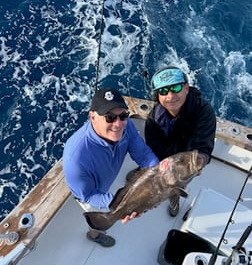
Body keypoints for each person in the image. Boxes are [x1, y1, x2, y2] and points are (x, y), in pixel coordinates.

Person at [63, 88, 159, 247]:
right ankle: (95, 235)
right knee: (98, 221)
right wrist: (122, 205)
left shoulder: (126, 126)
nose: (118, 124)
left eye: (123, 116)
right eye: (110, 118)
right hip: (91, 192)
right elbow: (88, 196)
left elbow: (143, 155)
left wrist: (158, 171)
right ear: (92, 117)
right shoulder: (75, 159)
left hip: (109, 177)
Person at [144, 66, 216, 217]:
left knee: (176, 184)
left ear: (186, 88)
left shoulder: (204, 111)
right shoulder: (154, 118)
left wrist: (199, 162)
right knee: (149, 176)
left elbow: (204, 146)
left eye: (175, 88)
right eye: (163, 91)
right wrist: (157, 166)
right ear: (157, 95)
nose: (170, 96)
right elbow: (152, 145)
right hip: (164, 158)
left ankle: (174, 196)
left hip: (185, 164)